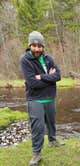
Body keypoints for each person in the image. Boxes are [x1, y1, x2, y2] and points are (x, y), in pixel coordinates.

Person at [20, 31, 64, 166]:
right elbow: (32, 83)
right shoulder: (25, 60)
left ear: (43, 46)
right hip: (35, 99)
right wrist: (49, 78)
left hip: (50, 97)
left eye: (39, 46)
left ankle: (52, 140)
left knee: (51, 121)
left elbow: (58, 76)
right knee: (37, 127)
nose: (37, 49)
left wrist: (42, 77)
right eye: (34, 45)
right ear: (30, 45)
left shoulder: (48, 57)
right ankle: (36, 153)